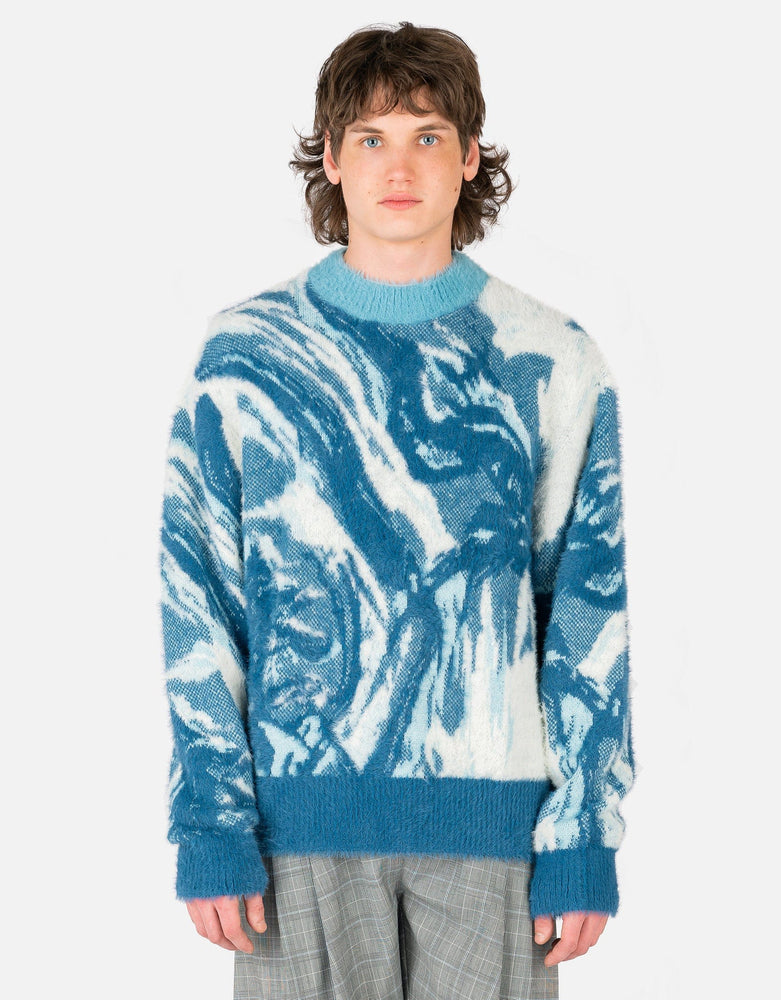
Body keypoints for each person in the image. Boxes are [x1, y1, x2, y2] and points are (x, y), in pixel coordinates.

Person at [159, 20, 636, 1000]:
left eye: (427, 135)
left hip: (495, 833)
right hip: (295, 832)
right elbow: (199, 596)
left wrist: (583, 832)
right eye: (370, 137)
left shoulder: (553, 358)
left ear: (470, 157)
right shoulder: (242, 358)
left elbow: (586, 611)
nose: (399, 166)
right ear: (331, 158)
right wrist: (211, 821)